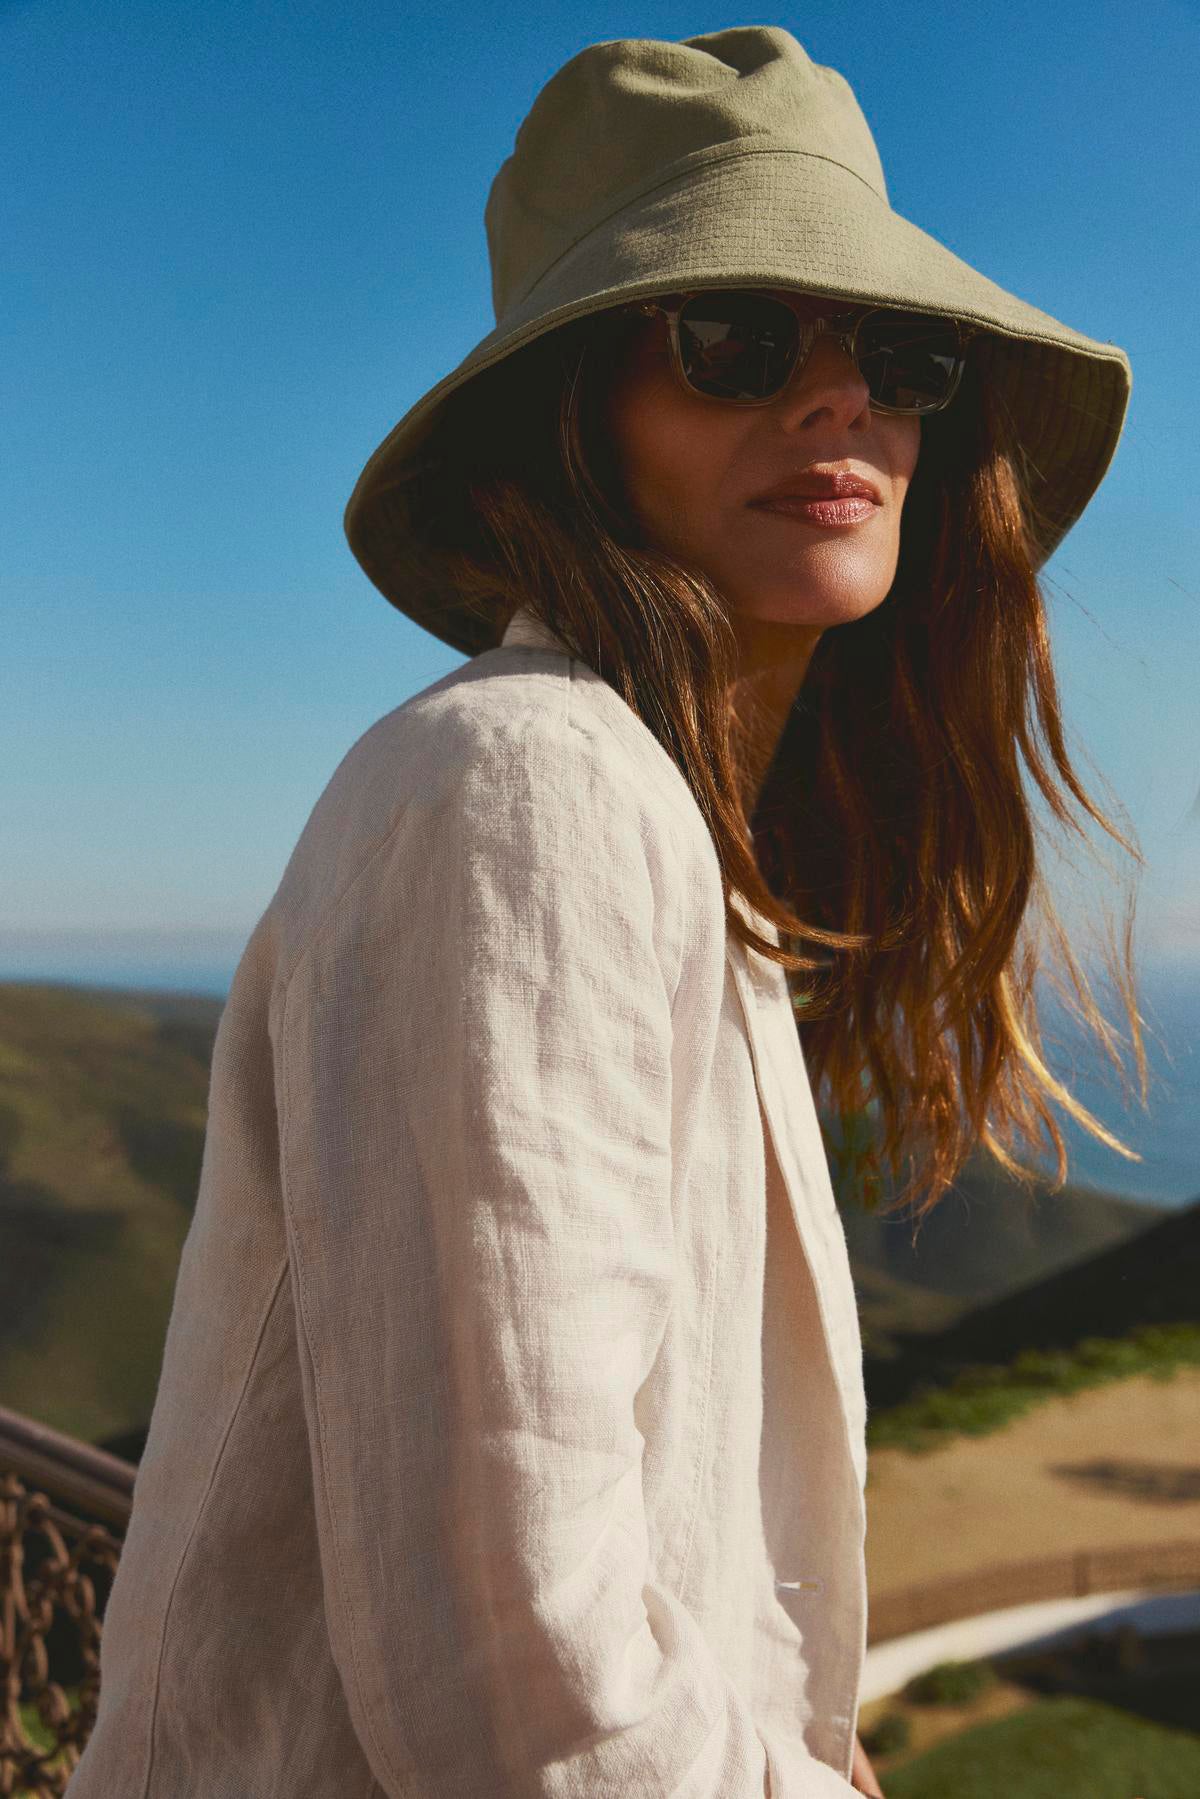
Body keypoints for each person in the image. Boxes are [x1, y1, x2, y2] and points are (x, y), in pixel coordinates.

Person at [66, 25, 1147, 1798]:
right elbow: (527, 1681)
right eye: (732, 338)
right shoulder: (528, 791)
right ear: (568, 424)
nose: (838, 399)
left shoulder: (647, 820)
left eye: (897, 349)